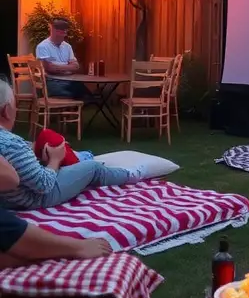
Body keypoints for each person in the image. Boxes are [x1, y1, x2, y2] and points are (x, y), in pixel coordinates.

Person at [0, 78, 144, 210]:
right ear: (6, 110)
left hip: (9, 199)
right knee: (93, 168)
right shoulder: (11, 144)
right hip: (35, 199)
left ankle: (81, 156)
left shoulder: (9, 142)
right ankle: (132, 174)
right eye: (15, 105)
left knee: (47, 139)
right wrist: (54, 160)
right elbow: (43, 185)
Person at [0, 155, 112, 263]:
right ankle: (129, 174)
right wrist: (55, 160)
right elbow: (39, 183)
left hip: (24, 199)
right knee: (93, 167)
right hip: (42, 195)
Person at [35, 17, 86, 99]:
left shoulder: (67, 47)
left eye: (65, 29)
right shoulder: (43, 46)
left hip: (69, 80)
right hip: (52, 82)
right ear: (53, 30)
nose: (64, 31)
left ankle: (74, 108)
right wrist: (68, 67)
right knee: (71, 96)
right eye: (60, 28)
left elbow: (76, 66)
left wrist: (58, 67)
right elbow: (49, 68)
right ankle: (66, 109)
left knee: (86, 95)